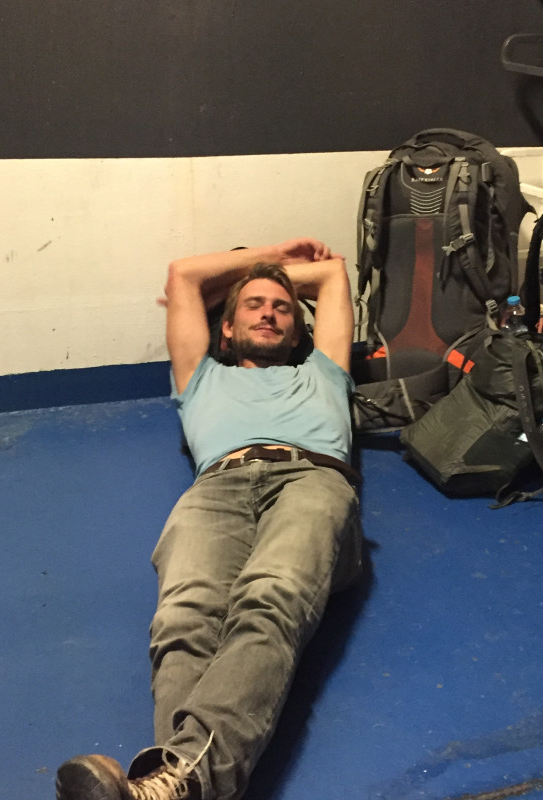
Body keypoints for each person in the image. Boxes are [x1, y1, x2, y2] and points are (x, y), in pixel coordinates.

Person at [56, 238, 363, 800]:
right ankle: (174, 789)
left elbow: (331, 275)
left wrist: (267, 272)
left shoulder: (325, 370)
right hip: (217, 486)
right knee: (181, 621)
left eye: (282, 308)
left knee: (269, 597)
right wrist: (274, 253)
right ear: (225, 327)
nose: (269, 313)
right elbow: (183, 276)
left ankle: (178, 781)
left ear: (298, 331)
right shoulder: (199, 376)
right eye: (253, 305)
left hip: (310, 479)